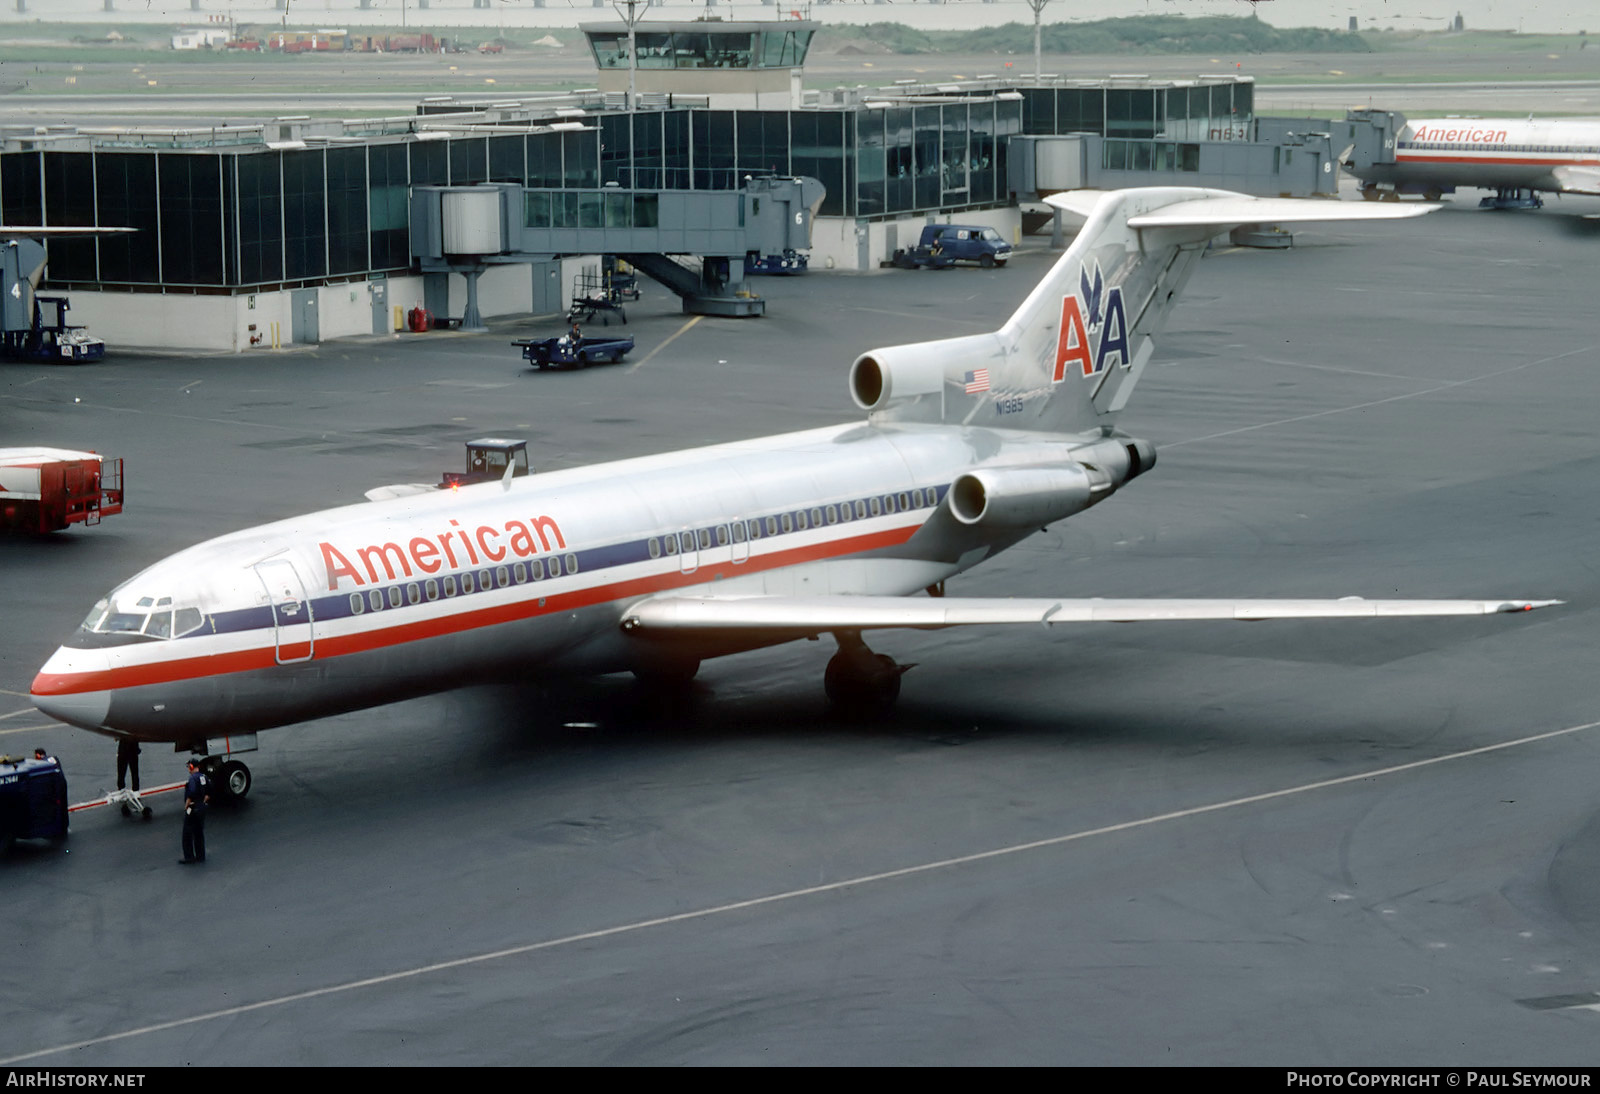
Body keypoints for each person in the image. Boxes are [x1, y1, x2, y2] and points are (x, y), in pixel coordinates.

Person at [179, 758, 209, 865]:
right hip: (202, 807)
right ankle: (201, 856)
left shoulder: (192, 779)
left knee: (187, 833)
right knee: (199, 833)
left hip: (193, 808)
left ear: (192, 767)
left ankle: (189, 856)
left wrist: (186, 806)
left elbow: (191, 793)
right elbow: (208, 792)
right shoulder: (204, 777)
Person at [116, 737, 142, 817]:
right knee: (133, 771)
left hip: (125, 750)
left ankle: (122, 790)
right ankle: (135, 790)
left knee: (122, 772)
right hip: (132, 749)